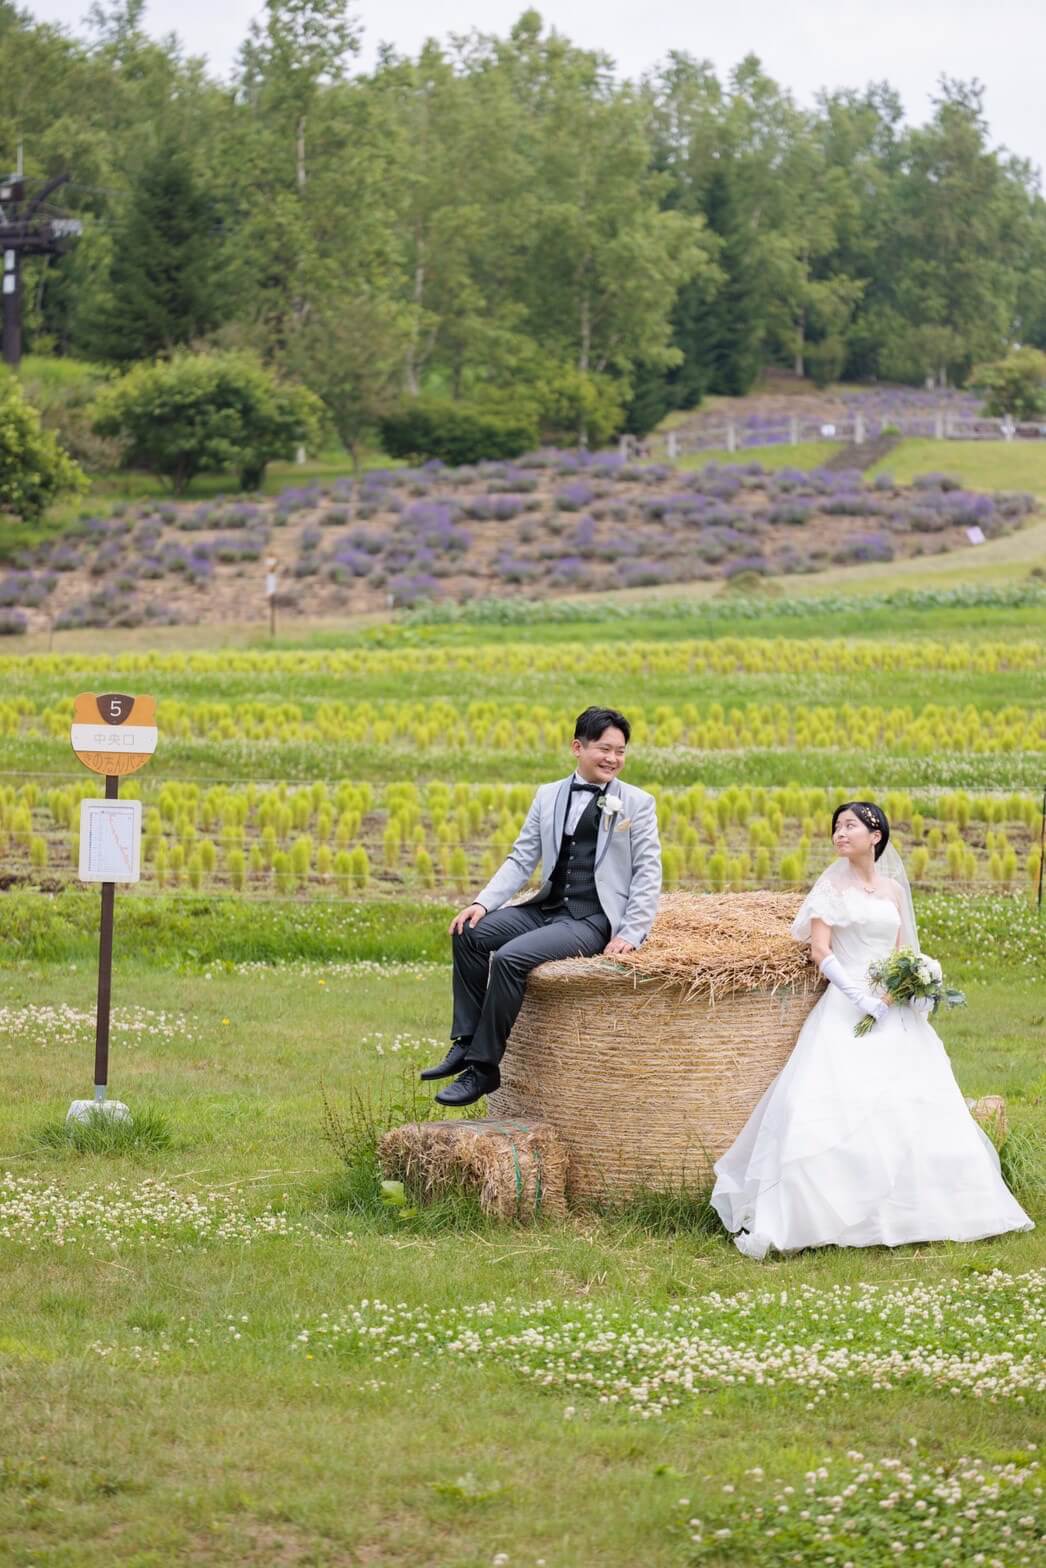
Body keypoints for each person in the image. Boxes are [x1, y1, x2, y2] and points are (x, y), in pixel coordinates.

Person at [711, 802, 1033, 1259]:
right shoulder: (829, 888)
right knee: (833, 1102)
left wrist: (914, 984)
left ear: (875, 835)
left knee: (915, 1100)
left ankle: (925, 1211)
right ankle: (820, 1214)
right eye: (837, 827)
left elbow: (903, 950)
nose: (840, 834)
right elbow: (819, 951)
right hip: (849, 1003)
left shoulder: (894, 890)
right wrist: (858, 996)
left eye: (850, 826)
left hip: (893, 1005)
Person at [420, 705, 662, 1108]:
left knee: (512, 959)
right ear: (577, 747)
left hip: (592, 918)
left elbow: (648, 873)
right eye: (605, 749)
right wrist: (482, 903)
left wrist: (630, 933)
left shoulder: (637, 803)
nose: (613, 759)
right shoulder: (548, 796)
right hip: (548, 906)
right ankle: (464, 1042)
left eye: (620, 752)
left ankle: (482, 1070)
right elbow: (520, 859)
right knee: (469, 933)